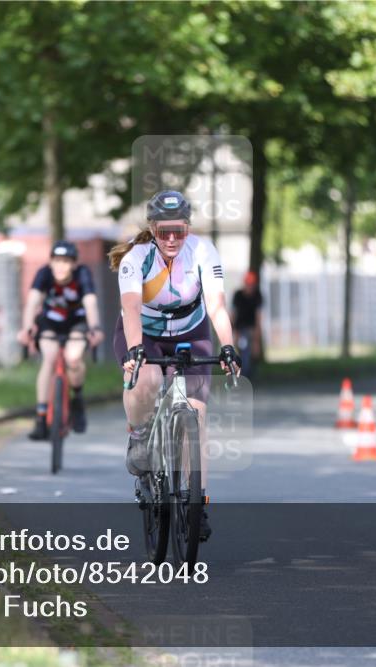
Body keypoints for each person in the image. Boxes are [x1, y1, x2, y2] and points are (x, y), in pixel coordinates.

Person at [108, 190, 240, 542]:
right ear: (152, 229)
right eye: (164, 231)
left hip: (191, 332)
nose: (171, 239)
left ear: (188, 228)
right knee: (148, 380)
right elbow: (131, 309)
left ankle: (198, 502)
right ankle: (139, 436)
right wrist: (135, 350)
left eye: (178, 231)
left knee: (197, 412)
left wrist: (228, 346)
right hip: (143, 334)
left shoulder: (203, 252)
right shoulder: (137, 258)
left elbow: (216, 306)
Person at [17, 241, 104, 440]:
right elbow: (32, 302)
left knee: (73, 358)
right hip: (50, 322)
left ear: (74, 264)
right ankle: (41, 418)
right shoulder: (44, 274)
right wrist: (27, 328)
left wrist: (95, 328)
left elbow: (90, 303)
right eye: (57, 261)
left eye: (66, 261)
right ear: (51, 262)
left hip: (77, 323)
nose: (61, 266)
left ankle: (77, 400)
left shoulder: (82, 274)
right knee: (49, 358)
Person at [231, 270, 263, 378]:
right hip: (239, 330)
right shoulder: (238, 295)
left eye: (252, 284)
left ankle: (246, 374)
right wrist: (233, 332)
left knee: (248, 353)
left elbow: (258, 317)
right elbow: (233, 314)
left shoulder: (257, 296)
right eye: (248, 284)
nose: (250, 287)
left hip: (251, 330)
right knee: (240, 352)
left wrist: (256, 340)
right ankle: (241, 374)